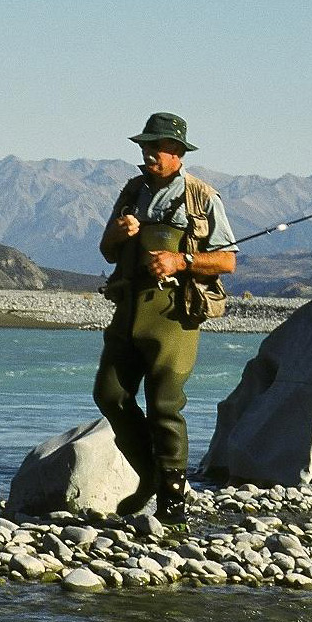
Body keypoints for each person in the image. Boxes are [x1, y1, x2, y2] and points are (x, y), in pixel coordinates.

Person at [93, 112, 237, 528]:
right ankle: (150, 475)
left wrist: (182, 259)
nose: (149, 153)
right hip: (128, 310)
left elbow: (227, 261)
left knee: (164, 406)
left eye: (157, 147)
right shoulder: (132, 191)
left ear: (177, 152)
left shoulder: (202, 197)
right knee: (110, 395)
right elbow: (106, 250)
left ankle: (172, 500)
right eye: (145, 146)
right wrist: (119, 234)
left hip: (174, 315)